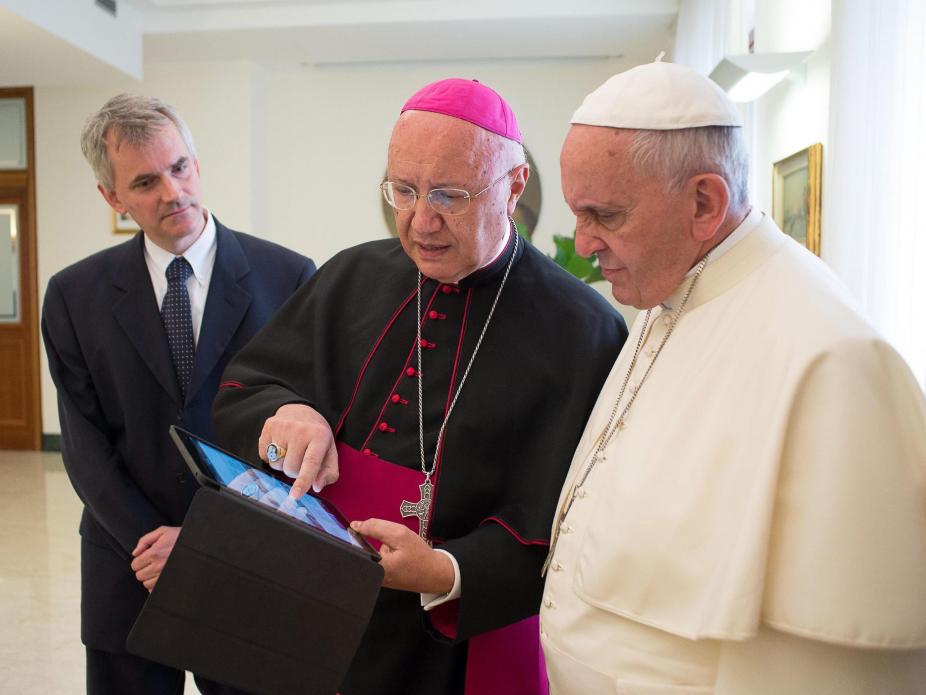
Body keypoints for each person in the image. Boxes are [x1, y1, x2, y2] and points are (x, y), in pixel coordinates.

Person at [211, 77, 628, 695]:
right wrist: (290, 411)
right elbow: (246, 390)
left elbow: (575, 520)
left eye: (448, 195)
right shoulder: (352, 274)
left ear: (514, 188)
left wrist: (446, 569)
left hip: (445, 643)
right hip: (306, 599)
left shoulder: (582, 328)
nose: (419, 220)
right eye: (403, 191)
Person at [540, 59, 926, 693]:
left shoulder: (830, 359)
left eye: (605, 216)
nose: (583, 244)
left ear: (704, 202)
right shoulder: (670, 295)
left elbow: (831, 670)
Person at [41, 94, 315, 695]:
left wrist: (208, 541)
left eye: (180, 167)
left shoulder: (290, 279)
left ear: (195, 161)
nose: (172, 192)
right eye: (144, 181)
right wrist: (151, 540)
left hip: (248, 564)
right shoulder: (73, 295)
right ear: (111, 198)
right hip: (128, 565)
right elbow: (84, 448)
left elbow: (305, 435)